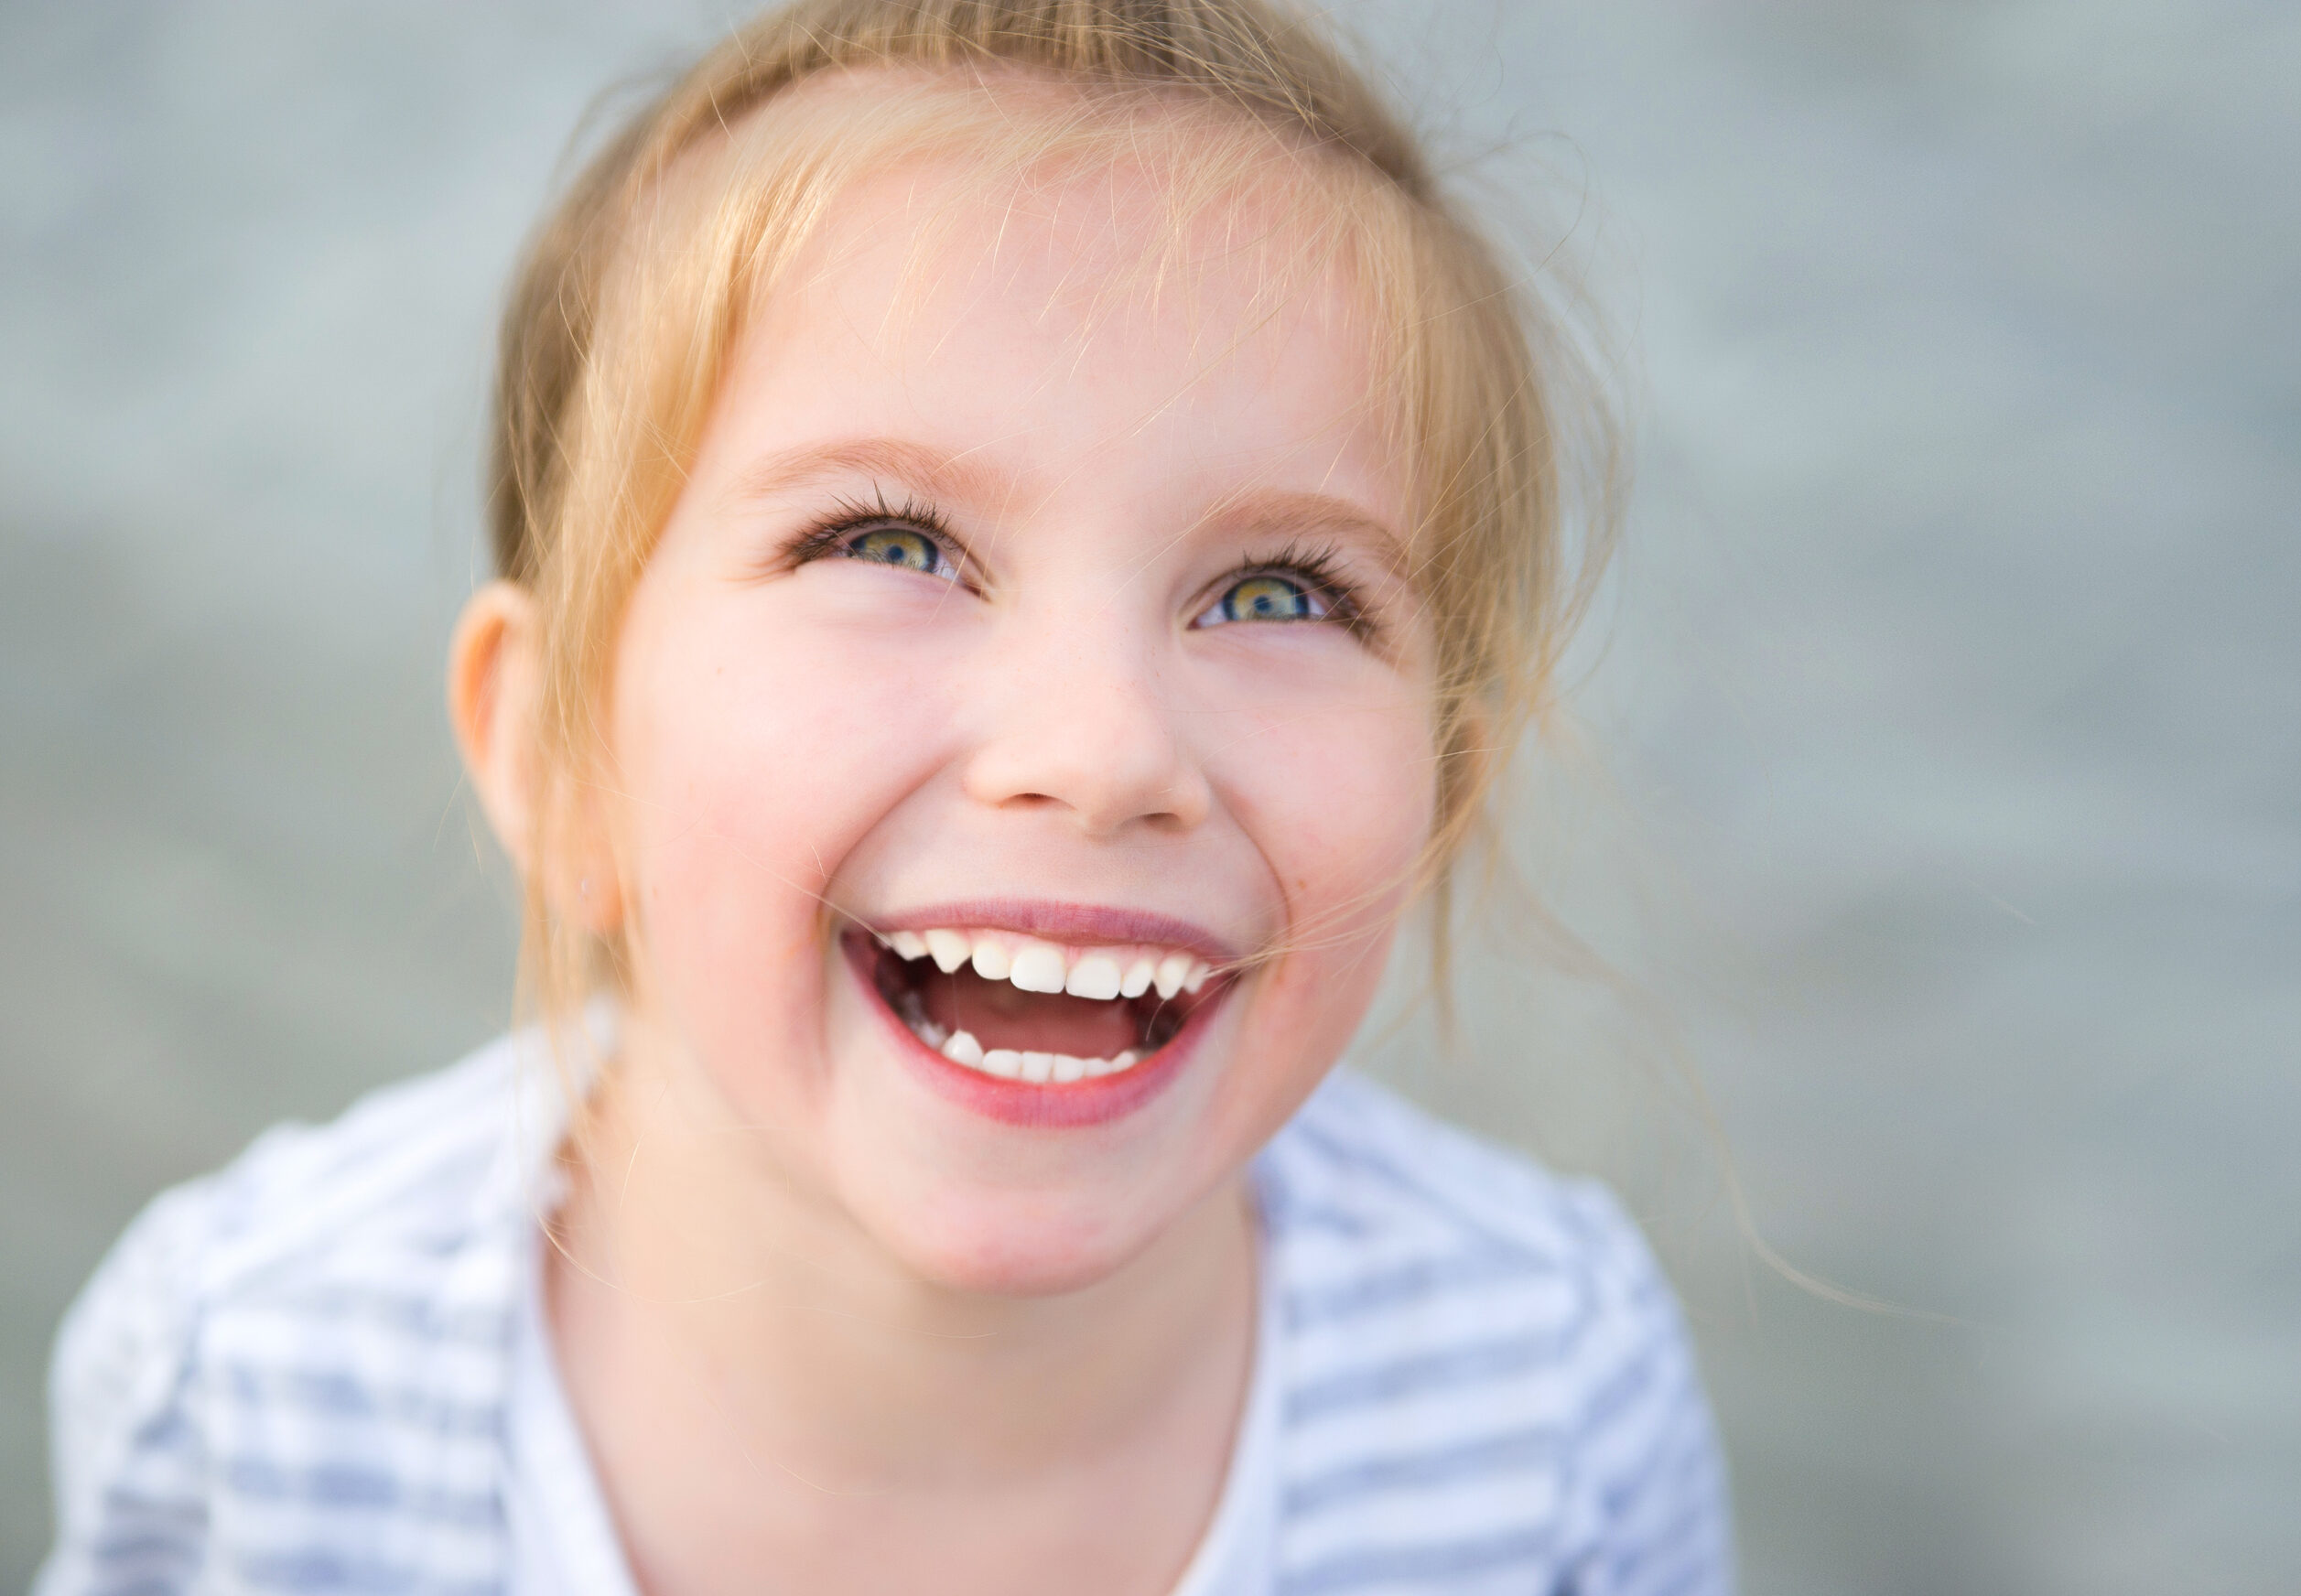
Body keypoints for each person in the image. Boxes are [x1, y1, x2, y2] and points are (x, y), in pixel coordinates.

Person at [37, 2, 1731, 1591]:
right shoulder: (256, 1387)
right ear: (559, 753)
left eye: (1283, 591)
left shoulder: (1549, 1400)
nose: (1104, 747)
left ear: (1442, 791)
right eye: (888, 544)